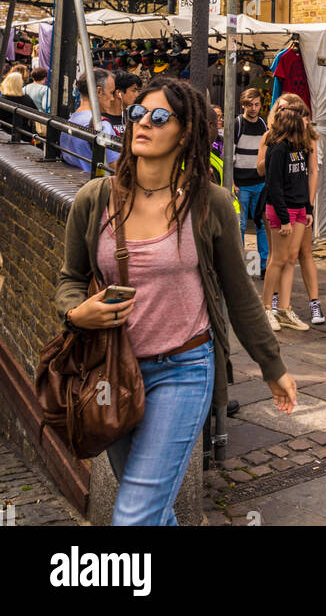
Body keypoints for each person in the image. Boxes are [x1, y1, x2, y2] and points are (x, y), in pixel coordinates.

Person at [55, 78, 296, 526]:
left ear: (185, 132)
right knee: (151, 509)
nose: (143, 122)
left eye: (160, 116)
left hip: (183, 371)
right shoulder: (95, 199)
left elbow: (240, 296)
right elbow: (70, 278)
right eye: (137, 113)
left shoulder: (210, 204)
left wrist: (272, 365)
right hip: (112, 369)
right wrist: (76, 312)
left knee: (133, 514)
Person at [262, 93, 325, 327]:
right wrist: (283, 216)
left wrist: (307, 209)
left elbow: (306, 177)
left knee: (290, 259)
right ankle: (267, 308)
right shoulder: (277, 148)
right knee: (277, 260)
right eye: (302, 118)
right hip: (283, 210)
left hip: (299, 208)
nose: (306, 121)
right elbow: (273, 185)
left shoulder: (301, 146)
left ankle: (285, 309)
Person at [233, 88, 268, 279]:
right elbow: (229, 155)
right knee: (241, 224)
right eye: (249, 105)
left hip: (260, 182)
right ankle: (239, 265)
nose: (253, 108)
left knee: (262, 223)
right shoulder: (238, 124)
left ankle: (263, 265)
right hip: (241, 183)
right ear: (243, 105)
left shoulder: (263, 124)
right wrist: (232, 183)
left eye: (256, 105)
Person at [59, 69, 120, 172]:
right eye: (111, 92)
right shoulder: (101, 125)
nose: (113, 98)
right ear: (98, 91)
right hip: (95, 184)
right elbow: (117, 166)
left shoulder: (72, 120)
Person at [0, 70, 39, 142]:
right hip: (25, 134)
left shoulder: (3, 100)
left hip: (6, 133)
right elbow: (35, 113)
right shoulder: (26, 98)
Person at [112, 71, 143, 136]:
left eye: (137, 91)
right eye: (133, 90)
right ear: (118, 93)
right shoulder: (102, 121)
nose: (137, 95)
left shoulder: (134, 118)